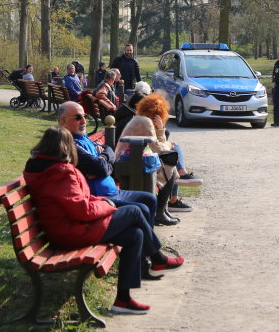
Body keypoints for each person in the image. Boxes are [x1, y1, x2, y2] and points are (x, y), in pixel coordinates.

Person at [23, 126, 184, 314]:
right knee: (134, 211)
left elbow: (78, 202)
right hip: (71, 232)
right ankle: (157, 258)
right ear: (66, 147)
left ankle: (123, 300)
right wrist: (109, 205)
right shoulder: (60, 172)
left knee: (135, 234)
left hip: (67, 227)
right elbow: (82, 210)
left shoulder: (44, 169)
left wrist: (103, 201)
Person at [58, 101, 158, 229]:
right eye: (78, 117)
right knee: (141, 208)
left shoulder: (83, 138)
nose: (84, 121)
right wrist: (104, 163)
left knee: (150, 199)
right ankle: (147, 245)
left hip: (113, 190)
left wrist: (103, 157)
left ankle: (146, 244)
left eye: (85, 116)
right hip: (100, 197)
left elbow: (109, 150)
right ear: (63, 121)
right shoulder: (70, 144)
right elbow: (101, 168)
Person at [115, 93, 192, 225]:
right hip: (129, 166)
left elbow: (156, 144)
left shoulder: (141, 119)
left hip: (131, 162)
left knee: (171, 169)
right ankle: (160, 212)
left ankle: (162, 210)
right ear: (159, 112)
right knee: (171, 168)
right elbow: (158, 147)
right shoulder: (145, 122)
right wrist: (168, 143)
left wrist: (160, 128)